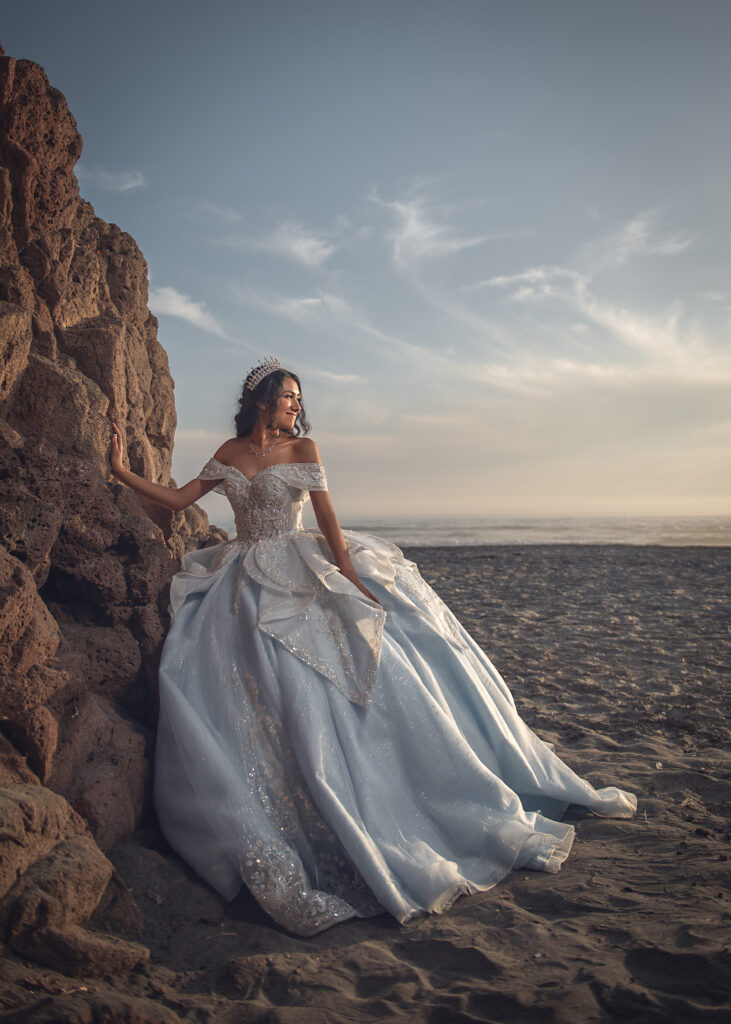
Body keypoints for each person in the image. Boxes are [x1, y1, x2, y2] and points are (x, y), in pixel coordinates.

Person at [109, 357, 636, 936]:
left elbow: (329, 520)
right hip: (239, 581)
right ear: (262, 399)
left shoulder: (304, 451)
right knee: (233, 678)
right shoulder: (231, 452)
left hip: (296, 565)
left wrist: (349, 579)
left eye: (298, 399)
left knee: (327, 675)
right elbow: (179, 498)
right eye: (287, 396)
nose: (295, 406)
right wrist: (117, 470)